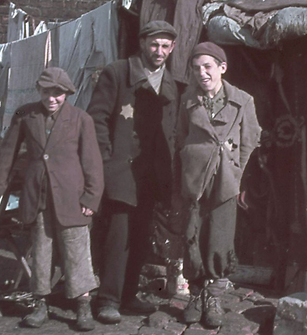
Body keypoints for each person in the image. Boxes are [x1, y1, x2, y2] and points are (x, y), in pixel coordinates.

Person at [0, 67, 104, 331]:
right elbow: (8, 151)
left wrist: (91, 197)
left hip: (72, 197)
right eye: (46, 92)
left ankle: (83, 306)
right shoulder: (26, 115)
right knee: (41, 251)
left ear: (67, 93)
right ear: (38, 91)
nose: (51, 98)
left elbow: (92, 163)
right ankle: (40, 304)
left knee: (76, 251)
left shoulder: (80, 119)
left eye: (57, 93)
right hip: (38, 196)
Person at [87, 20, 185, 323]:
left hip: (152, 174)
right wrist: (106, 160)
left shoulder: (171, 84)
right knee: (119, 235)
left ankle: (128, 296)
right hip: (121, 170)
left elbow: (169, 133)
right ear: (142, 43)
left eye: (165, 46)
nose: (159, 51)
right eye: (154, 44)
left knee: (140, 236)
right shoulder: (118, 72)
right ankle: (108, 299)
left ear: (172, 48)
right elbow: (97, 118)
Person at [176, 42, 261, 328]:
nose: (202, 73)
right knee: (193, 235)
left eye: (208, 67)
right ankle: (195, 295)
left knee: (220, 239)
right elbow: (180, 136)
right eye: (197, 68)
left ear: (222, 68)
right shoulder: (187, 101)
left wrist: (234, 172)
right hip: (194, 180)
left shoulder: (242, 101)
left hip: (225, 181)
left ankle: (213, 297)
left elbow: (250, 140)